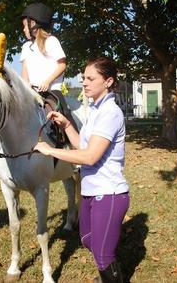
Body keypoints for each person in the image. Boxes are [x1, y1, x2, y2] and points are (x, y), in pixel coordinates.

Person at [34, 57, 129, 282]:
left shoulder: (110, 113)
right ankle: (110, 271)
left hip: (109, 193)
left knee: (103, 257)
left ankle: (112, 277)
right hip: (89, 191)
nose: (84, 82)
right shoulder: (95, 110)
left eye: (90, 78)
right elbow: (82, 146)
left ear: (108, 82)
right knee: (87, 239)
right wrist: (67, 125)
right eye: (83, 78)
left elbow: (89, 156)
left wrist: (51, 151)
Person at [20, 2, 77, 131]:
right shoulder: (25, 47)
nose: (23, 29)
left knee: (63, 115)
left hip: (51, 91)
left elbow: (62, 65)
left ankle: (75, 143)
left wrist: (47, 81)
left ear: (33, 24)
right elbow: (25, 69)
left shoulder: (51, 41)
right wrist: (25, 84)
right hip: (32, 91)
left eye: (24, 26)